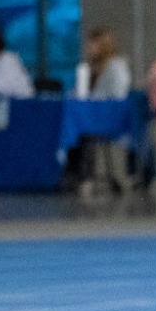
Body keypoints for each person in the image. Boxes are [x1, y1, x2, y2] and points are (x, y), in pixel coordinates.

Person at [65, 27, 133, 194]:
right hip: (94, 115)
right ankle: (73, 174)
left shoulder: (116, 66)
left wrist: (93, 97)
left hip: (110, 117)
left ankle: (86, 178)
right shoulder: (93, 68)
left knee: (88, 133)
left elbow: (117, 92)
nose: (88, 48)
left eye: (92, 44)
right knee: (78, 131)